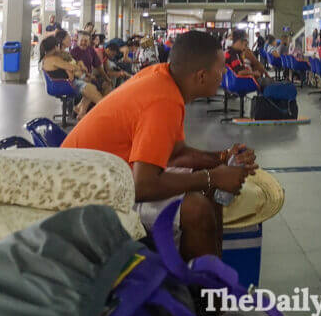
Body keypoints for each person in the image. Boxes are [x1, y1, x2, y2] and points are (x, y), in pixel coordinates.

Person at [62, 31, 256, 259]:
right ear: (202, 76)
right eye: (221, 70)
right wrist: (213, 177)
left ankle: (213, 275)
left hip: (104, 176)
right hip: (84, 194)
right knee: (197, 209)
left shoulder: (161, 77)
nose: (223, 75)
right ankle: (198, 291)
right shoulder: (164, 101)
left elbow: (176, 153)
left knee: (206, 187)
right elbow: (143, 186)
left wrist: (221, 158)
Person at [40, 35, 104, 119]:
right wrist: (80, 67)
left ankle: (80, 111)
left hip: (60, 84)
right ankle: (106, 110)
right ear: (55, 47)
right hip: (64, 85)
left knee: (91, 87)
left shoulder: (46, 58)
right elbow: (72, 67)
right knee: (94, 93)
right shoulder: (54, 59)